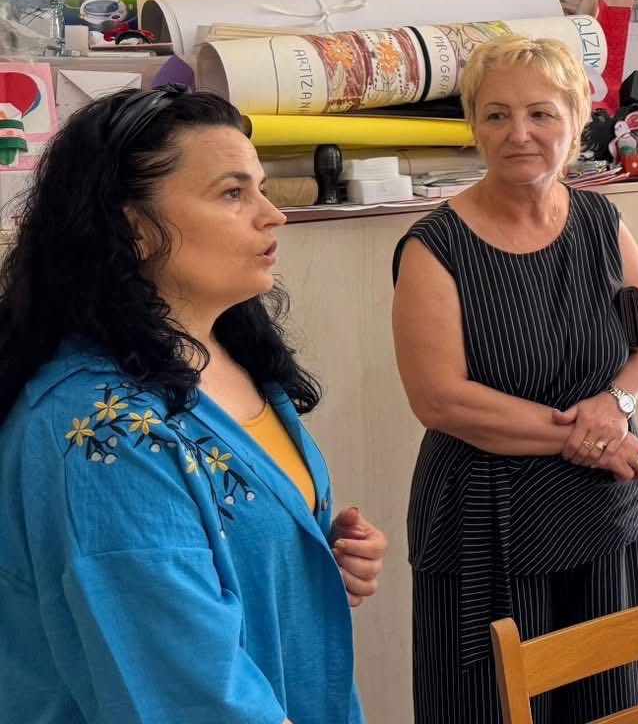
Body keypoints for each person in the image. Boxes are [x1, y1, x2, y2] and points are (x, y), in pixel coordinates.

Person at [0, 85, 386, 724]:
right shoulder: (105, 434)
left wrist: (311, 555)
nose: (272, 215)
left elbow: (226, 544)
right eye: (233, 193)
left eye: (261, 189)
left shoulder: (227, 353)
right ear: (134, 227)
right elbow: (190, 694)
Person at [394, 34, 638, 724]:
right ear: (474, 126)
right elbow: (441, 399)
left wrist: (617, 401)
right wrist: (599, 439)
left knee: (618, 710)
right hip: (488, 531)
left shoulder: (600, 218)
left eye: (541, 113)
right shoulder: (435, 246)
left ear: (577, 121)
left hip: (605, 520)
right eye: (497, 115)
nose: (519, 133)